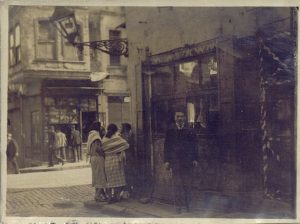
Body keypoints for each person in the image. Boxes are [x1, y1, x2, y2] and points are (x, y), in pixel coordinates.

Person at [164, 111, 198, 213]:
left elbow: (195, 146)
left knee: (187, 185)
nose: (180, 118)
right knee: (177, 185)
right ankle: (178, 207)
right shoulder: (170, 131)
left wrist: (196, 159)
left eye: (182, 116)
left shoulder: (190, 131)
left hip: (187, 162)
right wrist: (166, 161)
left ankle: (188, 206)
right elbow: (167, 147)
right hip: (175, 163)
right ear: (175, 118)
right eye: (177, 116)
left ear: (185, 118)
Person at [102, 123, 129, 203]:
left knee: (109, 180)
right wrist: (118, 150)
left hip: (107, 160)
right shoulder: (117, 138)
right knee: (117, 179)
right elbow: (126, 145)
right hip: (116, 160)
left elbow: (103, 148)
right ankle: (116, 197)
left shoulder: (104, 138)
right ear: (115, 130)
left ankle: (109, 197)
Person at [86, 121, 107, 202]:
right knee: (101, 177)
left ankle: (101, 194)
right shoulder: (96, 135)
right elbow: (98, 148)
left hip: (92, 158)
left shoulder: (91, 134)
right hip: (98, 158)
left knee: (96, 177)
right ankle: (97, 196)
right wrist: (104, 154)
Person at [120, 123, 135, 198]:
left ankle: (127, 190)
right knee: (127, 174)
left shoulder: (123, 136)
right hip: (127, 157)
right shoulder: (125, 136)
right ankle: (127, 190)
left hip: (127, 157)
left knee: (127, 174)